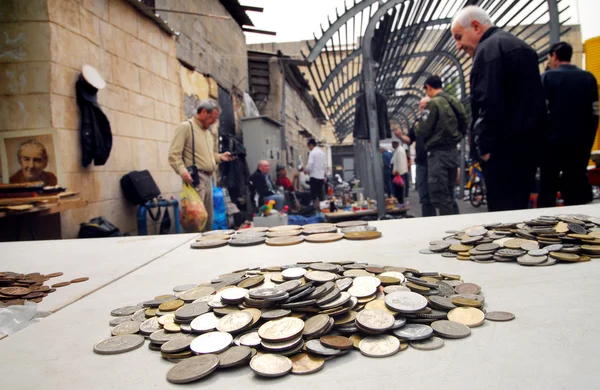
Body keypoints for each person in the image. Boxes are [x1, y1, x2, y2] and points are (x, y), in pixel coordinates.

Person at [451, 6, 547, 211]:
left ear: (476, 26)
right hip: (525, 151)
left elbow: (488, 103)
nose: (458, 46)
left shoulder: (488, 51)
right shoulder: (522, 47)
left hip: (502, 154)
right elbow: (537, 103)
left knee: (502, 218)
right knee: (520, 214)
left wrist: (484, 149)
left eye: (459, 37)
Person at [539, 41, 599, 207]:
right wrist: (588, 140)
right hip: (579, 144)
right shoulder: (588, 78)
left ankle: (546, 229)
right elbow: (595, 114)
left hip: (552, 146)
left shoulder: (547, 78)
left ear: (554, 55)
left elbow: (540, 114)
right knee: (576, 190)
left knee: (548, 189)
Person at [168, 99, 234, 231]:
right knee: (196, 221)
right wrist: (183, 172)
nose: (214, 122)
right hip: (195, 179)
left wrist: (221, 157)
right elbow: (174, 155)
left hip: (209, 179)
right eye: (213, 118)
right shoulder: (187, 127)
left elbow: (210, 157)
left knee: (208, 220)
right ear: (204, 112)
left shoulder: (207, 133)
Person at [415, 75, 467, 216]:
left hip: (437, 155)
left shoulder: (433, 103)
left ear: (429, 87)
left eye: (426, 89)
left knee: (440, 195)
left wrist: (417, 126)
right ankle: (457, 226)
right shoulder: (455, 101)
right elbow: (464, 124)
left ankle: (447, 230)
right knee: (450, 194)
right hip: (452, 152)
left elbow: (423, 130)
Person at [396, 97, 437, 217]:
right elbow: (409, 139)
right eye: (421, 106)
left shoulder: (436, 121)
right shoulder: (417, 123)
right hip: (421, 163)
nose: (422, 109)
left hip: (434, 162)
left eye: (425, 106)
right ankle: (429, 221)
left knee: (438, 195)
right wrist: (400, 136)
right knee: (424, 196)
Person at [305, 138, 327, 209]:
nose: (309, 148)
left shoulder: (312, 152)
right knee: (320, 195)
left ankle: (315, 209)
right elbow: (324, 165)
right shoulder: (322, 153)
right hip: (321, 177)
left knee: (314, 195)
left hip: (314, 176)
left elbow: (310, 164)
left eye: (309, 146)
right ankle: (322, 209)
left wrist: (307, 170)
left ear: (311, 145)